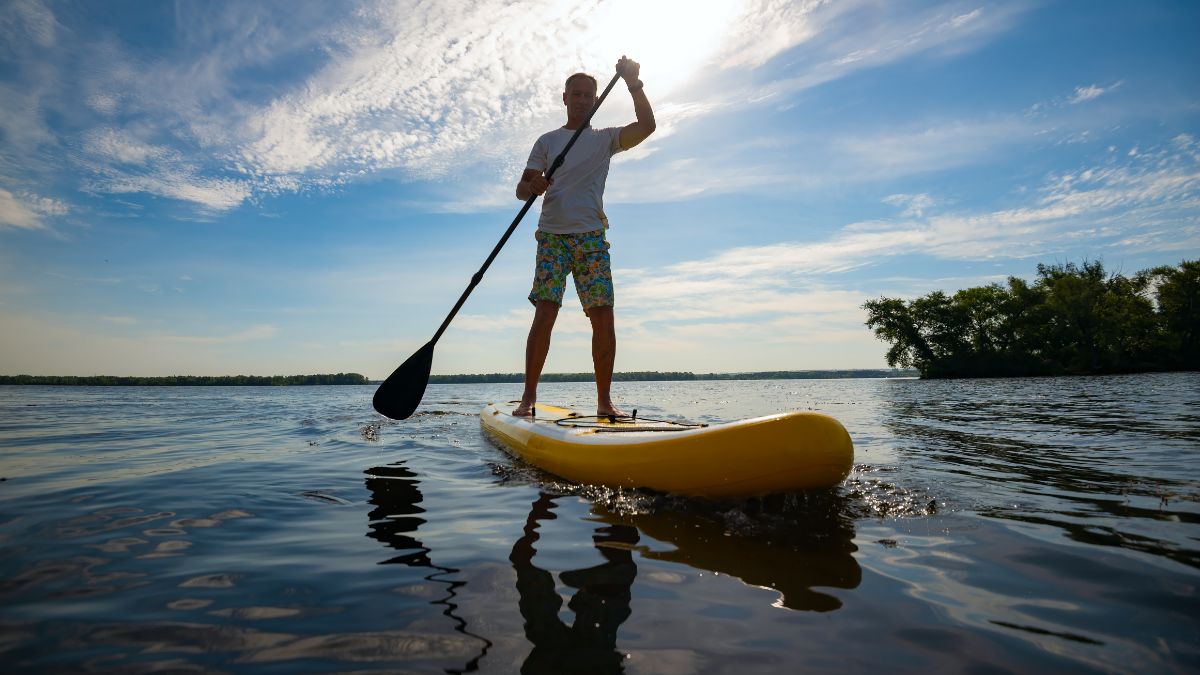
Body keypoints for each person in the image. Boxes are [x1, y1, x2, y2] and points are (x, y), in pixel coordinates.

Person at [513, 56, 655, 418]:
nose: (582, 100)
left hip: (591, 237)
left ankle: (604, 402)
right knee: (545, 313)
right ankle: (528, 398)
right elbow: (521, 190)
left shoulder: (605, 140)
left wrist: (633, 83)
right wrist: (534, 184)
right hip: (553, 238)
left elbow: (647, 126)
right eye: (575, 94)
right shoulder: (547, 141)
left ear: (595, 100)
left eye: (588, 95)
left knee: (602, 316)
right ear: (564, 98)